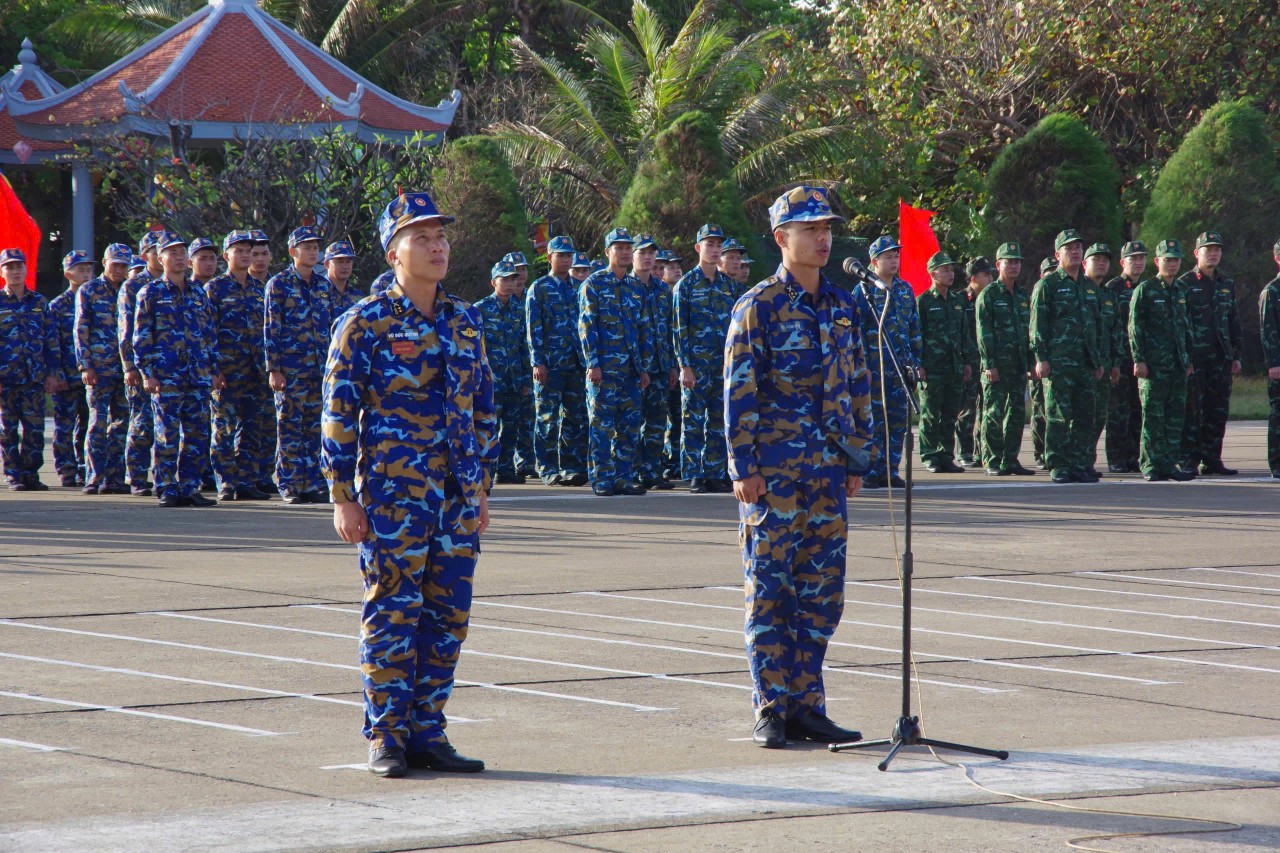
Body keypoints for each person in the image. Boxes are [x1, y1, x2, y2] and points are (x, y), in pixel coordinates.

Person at [323, 190, 496, 778]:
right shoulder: (364, 323)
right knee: (392, 613)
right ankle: (387, 737)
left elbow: (484, 410)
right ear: (393, 252)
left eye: (440, 235)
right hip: (393, 498)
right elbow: (339, 413)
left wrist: (481, 490)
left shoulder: (463, 320)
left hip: (454, 499)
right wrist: (343, 496)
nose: (436, 245)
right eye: (420, 237)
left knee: (448, 617)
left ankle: (428, 730)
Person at [724, 185, 875, 749]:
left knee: (820, 596)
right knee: (770, 591)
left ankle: (808, 705)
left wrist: (858, 456)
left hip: (828, 475)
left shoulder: (841, 305)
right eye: (811, 229)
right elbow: (740, 390)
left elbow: (858, 382)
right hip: (774, 474)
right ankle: (771, 706)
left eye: (827, 228)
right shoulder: (759, 305)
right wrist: (743, 466)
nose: (822, 237)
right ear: (780, 237)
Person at [133, 232, 223, 507]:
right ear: (160, 258)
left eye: (183, 252)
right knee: (167, 435)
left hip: (197, 376)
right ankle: (166, 486)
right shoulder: (150, 292)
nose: (180, 257)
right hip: (166, 376)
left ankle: (189, 487)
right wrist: (147, 372)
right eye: (173, 253)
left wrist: (214, 368)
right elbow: (140, 336)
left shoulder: (198, 292)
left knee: (198, 435)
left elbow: (208, 333)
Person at [579, 227, 651, 496]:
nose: (624, 252)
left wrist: (643, 367)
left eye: (627, 248)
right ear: (608, 252)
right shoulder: (594, 284)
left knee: (629, 426)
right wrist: (593, 363)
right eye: (618, 248)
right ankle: (602, 479)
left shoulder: (635, 287)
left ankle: (623, 477)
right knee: (601, 425)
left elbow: (642, 329)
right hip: (604, 370)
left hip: (630, 370)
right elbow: (587, 326)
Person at [264, 225, 334, 503]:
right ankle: (289, 483)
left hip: (318, 369)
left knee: (315, 428)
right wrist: (274, 368)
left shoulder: (323, 284)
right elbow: (271, 328)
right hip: (291, 369)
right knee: (289, 428)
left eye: (316, 247)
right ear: (293, 252)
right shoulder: (278, 284)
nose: (313, 251)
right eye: (307, 247)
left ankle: (312, 482)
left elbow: (330, 326)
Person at [205, 230, 274, 501]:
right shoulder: (215, 288)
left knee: (253, 428)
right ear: (226, 256)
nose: (245, 255)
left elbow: (268, 331)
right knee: (224, 429)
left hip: (256, 371)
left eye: (249, 251)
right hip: (227, 371)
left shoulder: (260, 288)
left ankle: (247, 481)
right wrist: (214, 369)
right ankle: (225, 481)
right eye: (240, 251)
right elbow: (207, 332)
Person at [1031, 230, 1103, 484]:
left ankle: (1078, 464)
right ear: (1057, 254)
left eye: (1078, 247)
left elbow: (1095, 326)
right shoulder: (1048, 285)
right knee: (1059, 416)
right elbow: (1037, 325)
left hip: (1085, 363)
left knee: (1085, 416)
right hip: (1059, 363)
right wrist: (1041, 358)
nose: (1074, 251)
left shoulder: (1088, 287)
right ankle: (1058, 465)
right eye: (1068, 248)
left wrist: (1097, 360)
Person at [851, 234, 921, 489]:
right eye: (888, 256)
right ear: (873, 261)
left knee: (897, 421)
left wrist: (916, 361)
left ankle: (891, 470)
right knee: (873, 421)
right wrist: (861, 368)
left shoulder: (904, 290)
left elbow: (913, 327)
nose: (894, 260)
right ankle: (871, 471)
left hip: (900, 368)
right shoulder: (862, 291)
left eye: (896, 255)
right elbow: (854, 333)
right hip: (874, 368)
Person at [673, 224, 737, 493]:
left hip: (723, 366)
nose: (714, 249)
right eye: (709, 245)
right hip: (696, 366)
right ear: (698, 248)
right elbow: (678, 328)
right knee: (694, 420)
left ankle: (714, 470)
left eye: (718, 245)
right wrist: (684, 366)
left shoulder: (729, 286)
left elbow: (737, 328)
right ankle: (694, 472)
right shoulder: (685, 285)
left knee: (718, 421)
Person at [1129, 240, 1194, 482]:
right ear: (1157, 262)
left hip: (1177, 365)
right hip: (1154, 366)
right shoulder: (1145, 290)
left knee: (1174, 417)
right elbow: (1135, 327)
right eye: (1168, 259)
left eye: (1176, 259)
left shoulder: (1181, 290)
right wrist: (1139, 359)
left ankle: (1168, 463)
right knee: (1153, 418)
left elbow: (1186, 327)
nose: (1173, 263)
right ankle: (1150, 464)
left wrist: (1188, 358)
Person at [526, 237, 589, 486]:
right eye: (560, 255)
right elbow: (533, 328)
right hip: (550, 365)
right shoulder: (539, 288)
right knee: (547, 419)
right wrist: (537, 361)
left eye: (568, 255)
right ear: (549, 257)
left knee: (575, 417)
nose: (565, 260)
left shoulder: (580, 287)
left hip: (576, 364)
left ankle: (572, 466)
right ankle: (547, 467)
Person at [1178, 231, 1241, 476]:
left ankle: (1212, 458)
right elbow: (1179, 324)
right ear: (1197, 253)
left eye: (1217, 250)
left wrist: (1236, 355)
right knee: (1192, 412)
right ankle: (1188, 460)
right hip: (1195, 359)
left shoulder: (1226, 283)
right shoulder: (1184, 283)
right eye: (1208, 250)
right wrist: (1185, 358)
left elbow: (1233, 321)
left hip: (1220, 358)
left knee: (1217, 411)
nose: (1213, 254)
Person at [75, 244, 133, 495]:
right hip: (99, 369)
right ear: (105, 262)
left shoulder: (132, 290)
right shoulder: (90, 290)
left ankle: (115, 478)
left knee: (122, 425)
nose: (119, 270)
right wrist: (85, 365)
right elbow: (80, 330)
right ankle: (93, 477)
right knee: (97, 424)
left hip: (127, 370)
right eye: (115, 264)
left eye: (124, 265)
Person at [0, 248, 58, 491]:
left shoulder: (39, 302)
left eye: (19, 266)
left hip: (34, 377)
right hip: (6, 378)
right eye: (9, 267)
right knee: (7, 430)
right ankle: (13, 474)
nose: (15, 271)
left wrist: (53, 373)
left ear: (26, 269)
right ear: (2, 271)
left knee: (35, 430)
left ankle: (31, 473)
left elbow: (50, 340)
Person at [976, 243, 1036, 476]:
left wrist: (1031, 362)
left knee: (1017, 413)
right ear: (998, 264)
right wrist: (989, 363)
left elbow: (1028, 331)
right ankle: (992, 458)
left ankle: (1010, 459)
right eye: (1009, 262)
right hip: (997, 365)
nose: (1013, 266)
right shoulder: (989, 295)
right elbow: (984, 331)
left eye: (1017, 262)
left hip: (1018, 365)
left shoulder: (1022, 295)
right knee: (993, 412)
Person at [474, 260, 530, 485]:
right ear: (493, 282)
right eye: (504, 279)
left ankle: (506, 468)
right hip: (490, 380)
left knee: (511, 427)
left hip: (514, 378)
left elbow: (524, 346)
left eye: (513, 279)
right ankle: (486, 469)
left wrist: (526, 378)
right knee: (489, 426)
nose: (509, 283)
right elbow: (474, 346)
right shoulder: (480, 309)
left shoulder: (519, 308)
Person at [916, 252, 972, 473]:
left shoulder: (959, 300)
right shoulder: (924, 301)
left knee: (950, 414)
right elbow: (917, 334)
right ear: (933, 273)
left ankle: (946, 455)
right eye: (945, 270)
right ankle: (930, 455)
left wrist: (966, 361)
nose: (951, 274)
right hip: (932, 368)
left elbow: (963, 333)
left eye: (951, 269)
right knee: (931, 414)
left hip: (954, 366)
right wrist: (919, 363)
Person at [632, 234, 676, 490]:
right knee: (633, 421)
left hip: (660, 365)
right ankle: (634, 469)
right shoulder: (625, 287)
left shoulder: (662, 290)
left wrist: (671, 364)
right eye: (643, 253)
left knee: (657, 421)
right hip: (635, 367)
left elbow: (669, 329)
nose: (648, 258)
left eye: (652, 253)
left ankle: (652, 470)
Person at [118, 232, 159, 496]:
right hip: (142, 368)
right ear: (145, 256)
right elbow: (127, 329)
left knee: (166, 428)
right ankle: (136, 477)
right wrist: (130, 366)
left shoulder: (177, 283)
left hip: (171, 368)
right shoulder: (134, 286)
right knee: (142, 424)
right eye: (156, 250)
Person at [49, 250, 94, 487]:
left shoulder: (95, 299)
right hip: (67, 376)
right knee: (65, 426)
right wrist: (56, 374)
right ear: (68, 273)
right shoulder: (58, 305)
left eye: (88, 269)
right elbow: (52, 342)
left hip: (91, 377)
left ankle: (84, 466)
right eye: (81, 269)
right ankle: (66, 469)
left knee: (88, 425)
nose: (86, 274)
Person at [1105, 242, 1147, 473]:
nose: (1138, 262)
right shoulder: (1113, 287)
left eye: (1141, 258)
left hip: (1140, 359)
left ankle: (1133, 456)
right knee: (1118, 412)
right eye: (1133, 259)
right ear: (1123, 263)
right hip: (1120, 359)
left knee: (1136, 410)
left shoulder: (1147, 287)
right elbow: (1109, 325)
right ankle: (1116, 457)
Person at [1082, 243, 1121, 479]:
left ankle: (1087, 461)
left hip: (1104, 366)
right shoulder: (1078, 290)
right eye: (1096, 259)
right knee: (1081, 415)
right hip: (1082, 364)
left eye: (1105, 260)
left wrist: (1115, 363)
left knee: (1098, 417)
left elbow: (1115, 331)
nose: (1101, 263)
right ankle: (1074, 461)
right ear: (1085, 263)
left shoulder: (1108, 295)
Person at [955, 257, 992, 467]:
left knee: (986, 408)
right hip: (968, 362)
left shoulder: (990, 297)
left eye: (990, 274)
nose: (989, 278)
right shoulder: (960, 300)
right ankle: (965, 450)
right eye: (984, 275)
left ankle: (981, 451)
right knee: (967, 409)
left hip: (986, 361)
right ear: (972, 278)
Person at [1029, 256, 1058, 468]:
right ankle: (1040, 452)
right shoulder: (1040, 292)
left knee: (1054, 411)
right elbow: (1034, 331)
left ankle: (1052, 452)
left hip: (1058, 361)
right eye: (1049, 271)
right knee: (1040, 410)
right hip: (1039, 360)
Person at [658, 249, 684, 479]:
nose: (676, 268)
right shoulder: (661, 295)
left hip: (678, 366)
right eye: (670, 265)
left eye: (677, 265)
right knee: (661, 418)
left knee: (678, 417)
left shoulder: (681, 293)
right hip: (661, 366)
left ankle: (676, 461)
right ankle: (664, 461)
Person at [1260, 239, 1280, 481]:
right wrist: (1273, 362)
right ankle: (1277, 462)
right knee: (1278, 414)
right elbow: (1267, 330)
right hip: (1279, 364)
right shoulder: (1271, 291)